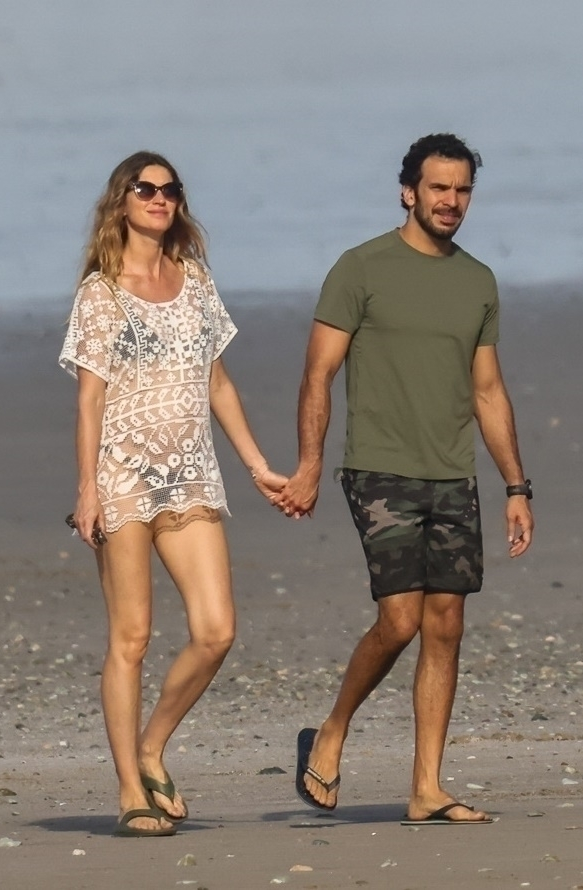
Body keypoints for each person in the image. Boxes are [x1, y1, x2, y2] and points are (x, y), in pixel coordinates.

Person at [279, 133, 534, 825]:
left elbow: (486, 390)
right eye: (438, 188)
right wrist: (308, 465)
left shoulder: (476, 280)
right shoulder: (360, 268)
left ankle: (425, 787)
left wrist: (515, 485)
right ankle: (332, 730)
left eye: (461, 190)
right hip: (379, 467)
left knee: (444, 623)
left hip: (451, 472)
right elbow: (317, 374)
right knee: (399, 620)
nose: (450, 201)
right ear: (408, 191)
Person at [59, 151, 286, 837]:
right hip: (123, 479)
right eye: (145, 188)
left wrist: (254, 464)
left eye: (169, 190)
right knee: (130, 637)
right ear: (121, 201)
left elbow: (217, 382)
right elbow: (90, 400)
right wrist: (88, 490)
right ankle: (130, 788)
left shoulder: (193, 281)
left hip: (190, 475)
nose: (159, 198)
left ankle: (152, 745)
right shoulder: (101, 291)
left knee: (216, 630)